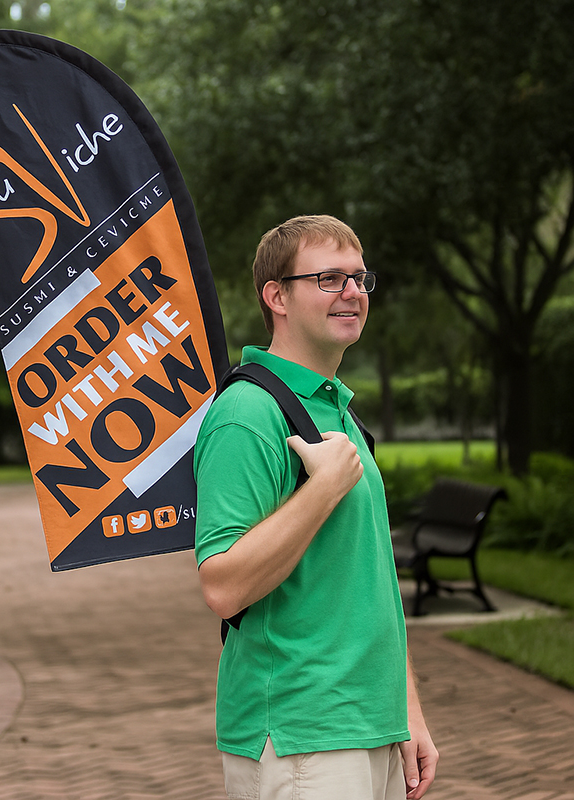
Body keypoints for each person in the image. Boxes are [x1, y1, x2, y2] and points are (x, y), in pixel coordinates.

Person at [194, 215, 438, 800]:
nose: (352, 292)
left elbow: (367, 581)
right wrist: (322, 490)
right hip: (302, 733)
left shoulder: (339, 412)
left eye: (359, 278)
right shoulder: (247, 414)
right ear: (276, 296)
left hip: (367, 725)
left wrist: (406, 711)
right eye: (329, 278)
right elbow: (222, 585)